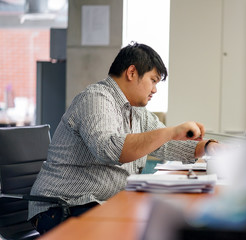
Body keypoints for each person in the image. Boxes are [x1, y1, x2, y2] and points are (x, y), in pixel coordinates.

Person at [28, 42, 220, 234]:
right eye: (153, 80)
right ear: (131, 72)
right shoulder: (96, 99)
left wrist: (207, 146)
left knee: (159, 221)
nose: (154, 90)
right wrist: (171, 131)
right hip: (62, 207)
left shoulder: (136, 111)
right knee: (140, 229)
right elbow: (110, 149)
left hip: (97, 202)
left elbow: (166, 145)